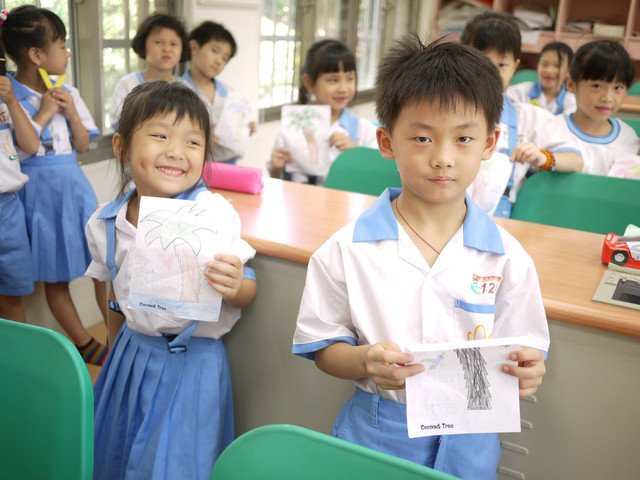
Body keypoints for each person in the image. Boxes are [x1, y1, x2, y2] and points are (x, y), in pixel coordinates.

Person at [292, 37, 549, 479]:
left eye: (463, 138)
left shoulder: (508, 258)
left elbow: (526, 348)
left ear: (489, 143)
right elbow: (322, 347)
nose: (443, 158)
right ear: (387, 142)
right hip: (378, 433)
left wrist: (529, 370)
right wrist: (364, 361)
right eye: (422, 137)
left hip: (472, 437)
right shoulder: (346, 248)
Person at [86, 81, 257, 479]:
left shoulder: (214, 213)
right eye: (160, 135)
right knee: (115, 447)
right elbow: (111, 292)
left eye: (193, 143)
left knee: (177, 463)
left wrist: (237, 285)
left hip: (192, 365)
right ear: (121, 147)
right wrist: (113, 349)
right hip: (130, 356)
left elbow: (248, 287)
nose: (176, 152)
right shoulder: (104, 220)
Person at [1, 5, 108, 364]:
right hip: (39, 196)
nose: (67, 53)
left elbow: (82, 145)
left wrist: (73, 113)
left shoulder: (70, 92)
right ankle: (82, 342)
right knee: (55, 276)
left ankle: (114, 335)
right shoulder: (8, 95)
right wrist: (44, 113)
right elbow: (23, 151)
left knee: (102, 264)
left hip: (75, 190)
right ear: (36, 55)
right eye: (61, 45)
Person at [461, 12, 583, 217]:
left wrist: (543, 158)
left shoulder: (528, 117)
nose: (491, 73)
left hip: (498, 220)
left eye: (501, 65)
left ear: (515, 66)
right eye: (482, 61)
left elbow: (575, 160)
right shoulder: (442, 110)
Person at [268, 39, 378, 184]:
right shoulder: (291, 129)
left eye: (350, 78)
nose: (343, 88)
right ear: (309, 82)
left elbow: (377, 176)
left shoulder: (364, 130)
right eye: (333, 80)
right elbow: (278, 178)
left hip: (344, 204)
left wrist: (355, 153)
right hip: (298, 203)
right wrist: (275, 168)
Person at [0, 39, 40, 323]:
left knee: (11, 294)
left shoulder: (7, 101)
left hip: (7, 208)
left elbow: (31, 145)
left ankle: (19, 363)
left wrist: (11, 99)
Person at [182, 21, 256, 164]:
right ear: (194, 47)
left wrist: (247, 125)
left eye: (225, 58)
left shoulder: (229, 93)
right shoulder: (176, 90)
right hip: (192, 164)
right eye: (215, 51)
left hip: (227, 163)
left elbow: (238, 123)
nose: (218, 61)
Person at [565, 40, 640, 176]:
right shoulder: (553, 130)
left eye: (618, 88)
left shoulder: (628, 138)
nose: (607, 98)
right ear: (571, 84)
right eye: (597, 86)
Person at [109, 13, 188, 128]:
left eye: (173, 44)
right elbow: (117, 122)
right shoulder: (128, 83)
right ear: (143, 46)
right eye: (158, 42)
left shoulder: (186, 88)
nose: (166, 49)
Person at [507, 41, 576, 117]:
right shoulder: (519, 92)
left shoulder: (572, 103)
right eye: (544, 64)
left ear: (569, 71)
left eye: (557, 66)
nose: (549, 70)